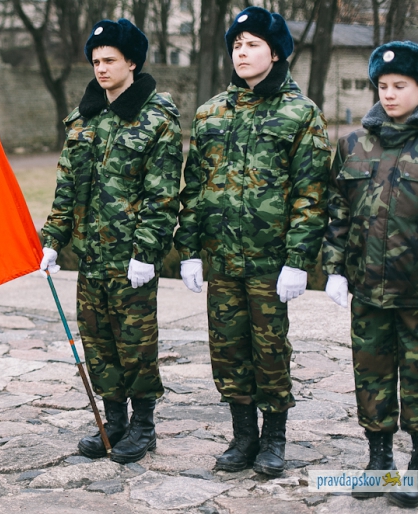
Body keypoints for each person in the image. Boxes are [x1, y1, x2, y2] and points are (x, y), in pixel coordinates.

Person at [174, 6, 331, 477]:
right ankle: (243, 437)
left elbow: (311, 193)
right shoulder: (211, 113)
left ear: (276, 52)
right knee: (227, 350)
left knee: (269, 350)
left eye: (253, 45)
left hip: (270, 262)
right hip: (221, 259)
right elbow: (194, 187)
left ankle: (274, 438)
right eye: (237, 46)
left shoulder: (300, 113)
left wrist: (299, 259)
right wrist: (189, 250)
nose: (242, 53)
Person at [39, 18, 183, 464]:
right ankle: (115, 420)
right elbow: (67, 187)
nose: (101, 68)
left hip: (131, 257)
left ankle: (143, 426)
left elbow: (162, 195)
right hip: (91, 256)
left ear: (132, 63)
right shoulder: (83, 118)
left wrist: (147, 252)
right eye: (96, 61)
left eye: (110, 60)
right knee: (98, 342)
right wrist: (53, 239)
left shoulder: (157, 119)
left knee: (136, 343)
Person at [323, 41, 418, 508]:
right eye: (383, 86)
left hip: (416, 291)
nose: (390, 94)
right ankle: (379, 460)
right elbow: (337, 211)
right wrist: (334, 269)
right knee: (371, 374)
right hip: (367, 289)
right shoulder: (353, 145)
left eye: (401, 85)